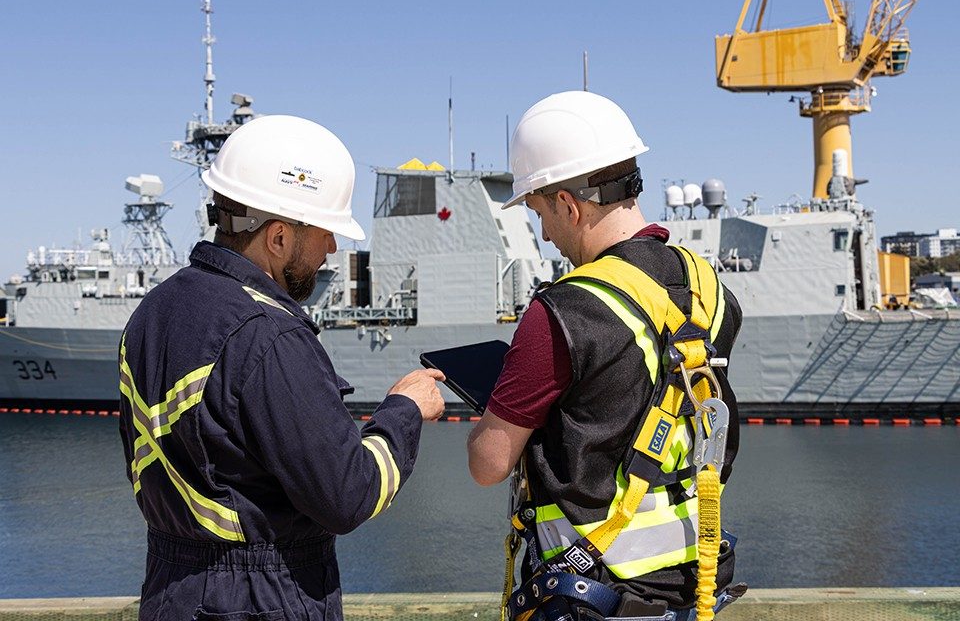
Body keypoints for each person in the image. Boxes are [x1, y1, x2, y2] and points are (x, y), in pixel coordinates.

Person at [118, 114, 445, 621]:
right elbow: (347, 495)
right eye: (324, 233)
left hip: (169, 590)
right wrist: (403, 409)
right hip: (258, 599)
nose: (333, 248)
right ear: (278, 237)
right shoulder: (270, 335)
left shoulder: (151, 312)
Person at [467, 92, 744, 621]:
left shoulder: (564, 310)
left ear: (569, 204)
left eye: (540, 213)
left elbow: (489, 464)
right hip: (693, 588)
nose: (545, 234)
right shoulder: (710, 290)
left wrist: (490, 422)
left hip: (592, 598)